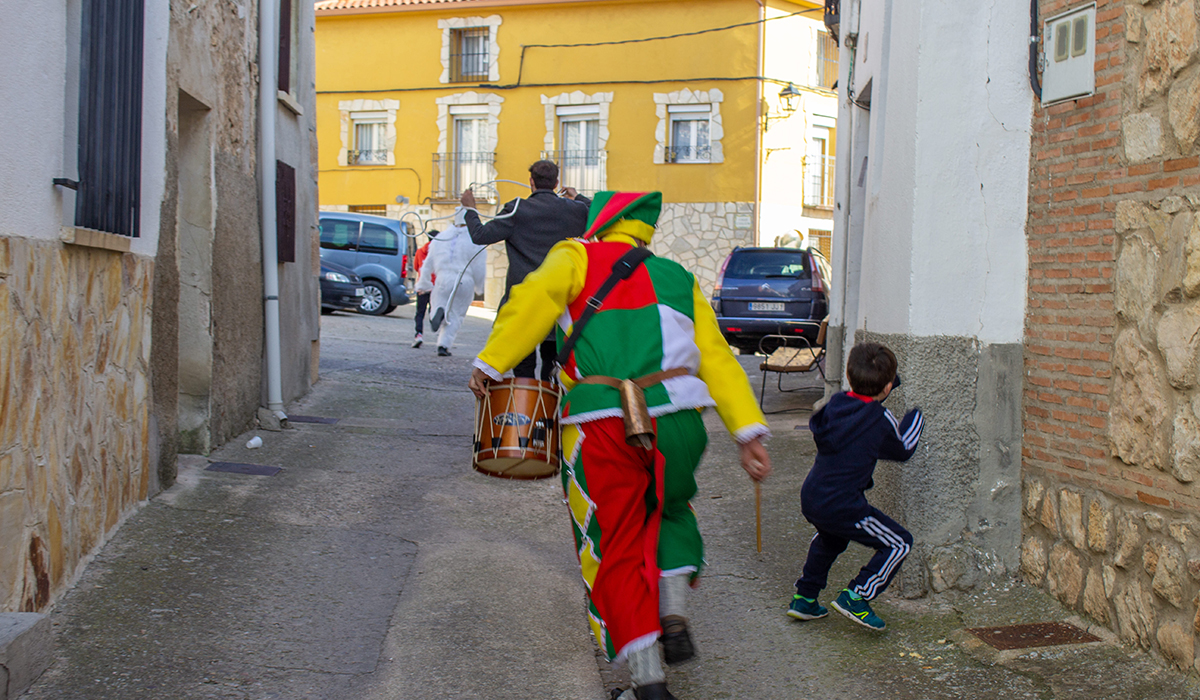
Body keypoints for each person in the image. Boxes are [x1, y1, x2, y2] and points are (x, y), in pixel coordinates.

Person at [468, 192, 771, 700]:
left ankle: (648, 683)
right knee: (672, 509)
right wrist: (748, 432)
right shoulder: (677, 276)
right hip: (680, 419)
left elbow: (532, 299)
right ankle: (673, 612)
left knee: (616, 544)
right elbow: (716, 357)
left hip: (602, 421)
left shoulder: (575, 256)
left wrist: (491, 361)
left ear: (601, 222)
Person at [786, 342, 922, 631]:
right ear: (888, 387)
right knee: (899, 543)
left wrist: (881, 387)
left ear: (849, 377)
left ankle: (805, 598)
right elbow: (902, 449)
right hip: (844, 504)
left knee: (831, 539)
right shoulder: (879, 419)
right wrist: (917, 417)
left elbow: (859, 415)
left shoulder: (836, 404)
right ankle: (857, 596)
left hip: (813, 496)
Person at [462, 159, 590, 381]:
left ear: (531, 181)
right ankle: (550, 404)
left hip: (522, 304)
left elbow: (480, 235)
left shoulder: (516, 209)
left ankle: (526, 403)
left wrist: (470, 209)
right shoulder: (577, 210)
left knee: (523, 372)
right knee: (552, 370)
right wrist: (578, 197)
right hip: (559, 305)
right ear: (556, 182)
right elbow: (604, 214)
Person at [414, 210, 486, 356]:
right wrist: (479, 287)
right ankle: (443, 345)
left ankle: (437, 315)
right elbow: (479, 267)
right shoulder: (475, 240)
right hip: (464, 280)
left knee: (438, 304)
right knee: (456, 315)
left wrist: (423, 284)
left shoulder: (440, 238)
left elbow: (427, 264)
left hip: (442, 278)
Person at [411, 230, 438, 348]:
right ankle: (440, 335)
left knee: (420, 313)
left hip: (423, 286)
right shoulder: (440, 253)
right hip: (435, 286)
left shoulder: (419, 252)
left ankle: (418, 335)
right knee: (434, 310)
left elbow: (416, 267)